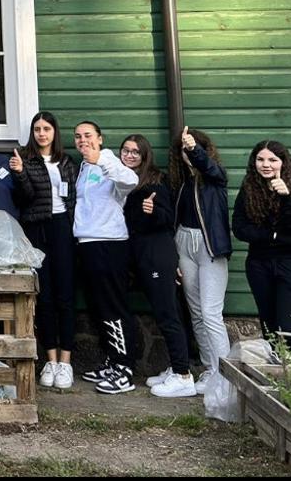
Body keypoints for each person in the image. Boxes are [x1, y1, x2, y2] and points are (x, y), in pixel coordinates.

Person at [120, 134, 196, 398]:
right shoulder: (127, 182)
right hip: (143, 255)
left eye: (135, 152)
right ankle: (176, 367)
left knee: (167, 315)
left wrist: (152, 212)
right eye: (126, 151)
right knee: (168, 311)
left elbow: (167, 219)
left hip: (157, 255)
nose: (129, 155)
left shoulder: (154, 182)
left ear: (144, 156)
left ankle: (184, 376)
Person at [232, 140, 291, 352]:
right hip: (259, 263)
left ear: (284, 162)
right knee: (269, 327)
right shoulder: (249, 188)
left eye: (272, 160)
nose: (266, 164)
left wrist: (286, 197)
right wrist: (272, 235)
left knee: (289, 328)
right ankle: (275, 379)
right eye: (260, 159)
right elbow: (239, 228)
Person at [72, 120, 139, 395]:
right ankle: (112, 361)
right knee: (100, 307)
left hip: (109, 244)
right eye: (77, 136)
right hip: (87, 242)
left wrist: (100, 159)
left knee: (113, 307)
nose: (82, 140)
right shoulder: (84, 167)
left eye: (88, 135)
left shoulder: (109, 161)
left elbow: (130, 181)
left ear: (100, 138)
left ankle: (125, 369)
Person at [14, 111, 78, 390]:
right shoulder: (26, 160)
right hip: (37, 228)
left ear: (54, 132)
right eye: (37, 129)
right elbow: (25, 198)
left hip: (63, 227)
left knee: (66, 294)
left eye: (46, 129)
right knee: (46, 295)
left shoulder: (66, 162)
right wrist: (19, 174)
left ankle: (66, 361)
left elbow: (75, 197)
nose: (42, 133)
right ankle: (50, 360)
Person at [168, 126, 232, 394]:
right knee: (195, 311)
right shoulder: (182, 183)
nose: (187, 154)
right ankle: (209, 369)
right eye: (183, 150)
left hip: (209, 247)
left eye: (192, 149)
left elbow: (209, 167)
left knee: (210, 312)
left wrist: (195, 149)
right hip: (185, 243)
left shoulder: (215, 178)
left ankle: (227, 376)